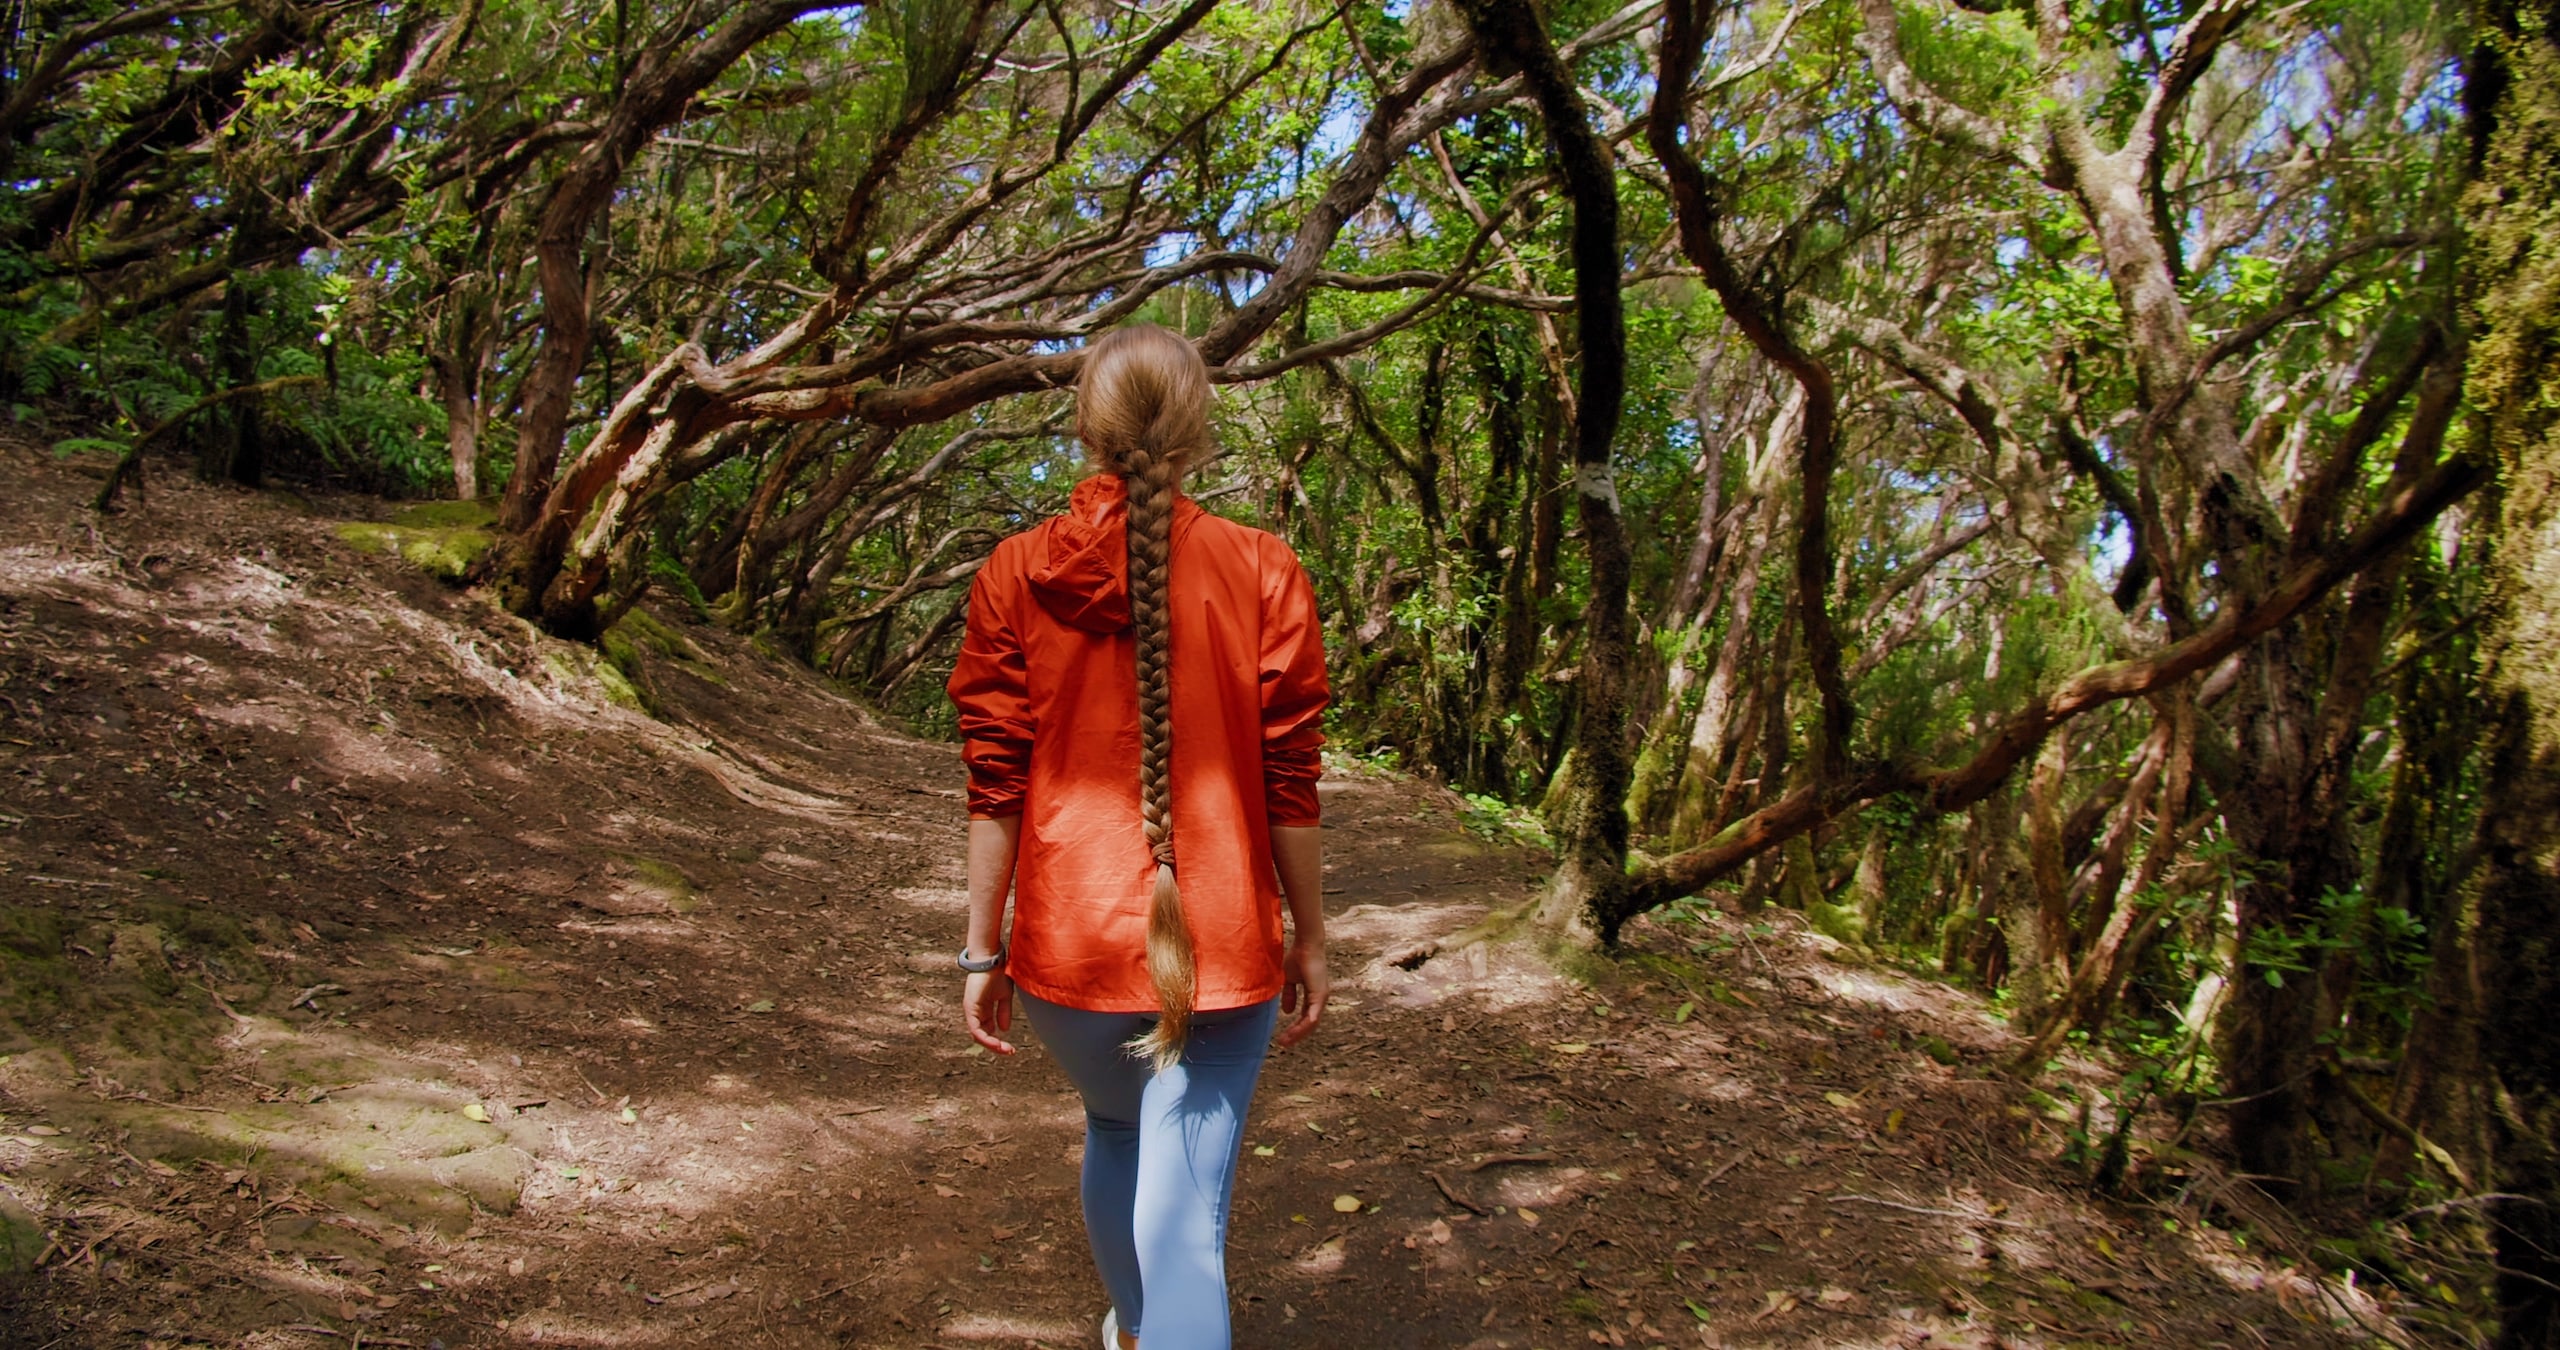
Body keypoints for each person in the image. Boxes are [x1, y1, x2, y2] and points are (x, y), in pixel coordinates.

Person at [946, 322, 1332, 1350]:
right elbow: (1290, 780)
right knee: (1189, 1236)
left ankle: (1133, 1330)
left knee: (1117, 1127)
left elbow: (996, 782)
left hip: (1068, 947)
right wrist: (1313, 935)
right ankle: (1159, 1328)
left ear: (1084, 427)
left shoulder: (1013, 572)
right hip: (1217, 952)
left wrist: (984, 947)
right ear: (1198, 429)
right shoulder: (1261, 568)